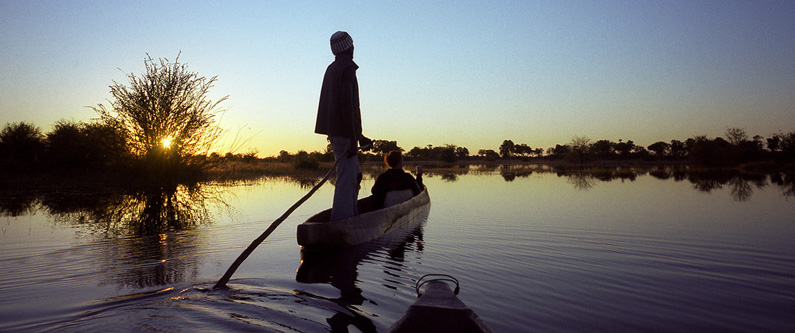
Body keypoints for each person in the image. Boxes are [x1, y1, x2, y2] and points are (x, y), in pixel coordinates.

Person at [315, 31, 372, 220]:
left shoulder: (332, 69)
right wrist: (354, 138)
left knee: (353, 177)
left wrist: (358, 137)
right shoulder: (346, 69)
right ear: (348, 47)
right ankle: (342, 222)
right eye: (352, 45)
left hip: (339, 133)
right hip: (345, 134)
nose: (354, 48)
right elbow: (348, 106)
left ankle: (351, 218)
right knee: (347, 180)